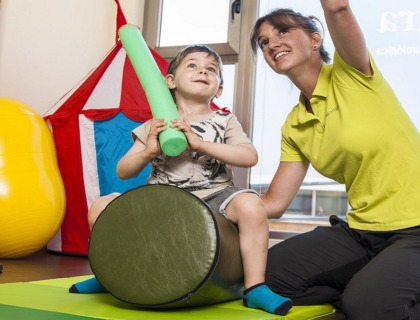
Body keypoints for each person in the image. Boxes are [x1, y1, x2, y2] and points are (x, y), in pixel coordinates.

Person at [69, 45, 292, 316]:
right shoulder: (156, 125)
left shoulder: (224, 120)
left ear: (219, 88)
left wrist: (199, 143)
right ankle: (110, 274)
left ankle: (254, 286)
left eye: (211, 69)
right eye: (193, 66)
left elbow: (248, 156)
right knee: (103, 206)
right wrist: (149, 151)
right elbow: (123, 171)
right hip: (163, 200)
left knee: (250, 204)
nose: (203, 71)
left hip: (215, 197)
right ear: (170, 81)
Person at [250, 1, 420, 319]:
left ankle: (372, 295)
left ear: (316, 39)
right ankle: (372, 287)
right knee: (270, 274)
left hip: (416, 229)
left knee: (368, 305)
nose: (272, 43)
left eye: (283, 31)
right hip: (363, 233)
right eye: (264, 42)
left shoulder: (352, 74)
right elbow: (273, 203)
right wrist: (218, 207)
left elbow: (339, 9)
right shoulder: (294, 124)